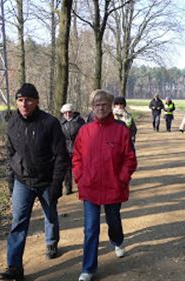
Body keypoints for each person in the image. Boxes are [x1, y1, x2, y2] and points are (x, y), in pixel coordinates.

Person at [0, 83, 69, 281]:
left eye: (28, 100)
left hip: (46, 180)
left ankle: (51, 242)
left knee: (50, 214)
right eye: (20, 100)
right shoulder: (12, 123)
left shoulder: (50, 122)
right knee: (18, 223)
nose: (24, 104)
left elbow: (61, 156)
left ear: (36, 101)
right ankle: (14, 267)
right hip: (22, 181)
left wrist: (56, 184)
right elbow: (10, 154)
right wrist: (11, 181)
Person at [72, 89, 137, 281]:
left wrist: (122, 179)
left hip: (113, 187)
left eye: (104, 104)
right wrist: (80, 177)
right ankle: (88, 268)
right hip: (90, 187)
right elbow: (76, 158)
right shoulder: (84, 131)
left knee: (113, 221)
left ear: (110, 107)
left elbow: (130, 159)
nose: (101, 108)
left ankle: (117, 240)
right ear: (92, 108)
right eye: (97, 105)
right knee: (91, 229)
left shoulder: (121, 130)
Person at [60, 103, 85, 195]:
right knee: (67, 170)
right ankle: (68, 188)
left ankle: (82, 185)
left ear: (73, 112)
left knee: (79, 168)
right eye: (65, 113)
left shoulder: (80, 122)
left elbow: (84, 135)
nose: (67, 114)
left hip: (78, 149)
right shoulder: (60, 123)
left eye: (69, 112)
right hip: (65, 149)